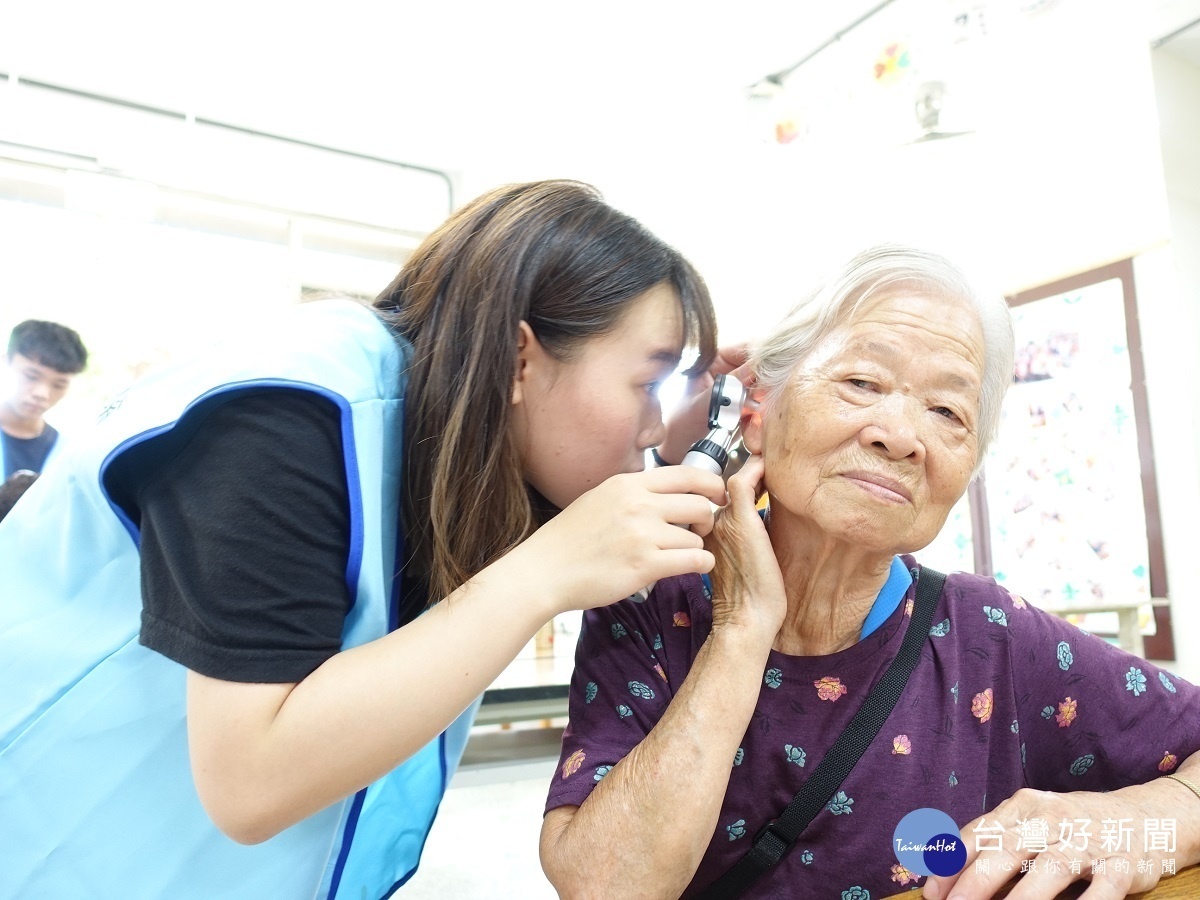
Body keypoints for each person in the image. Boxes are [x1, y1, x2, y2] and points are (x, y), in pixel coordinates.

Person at [0, 180, 740, 899]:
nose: (651, 427)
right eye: (648, 384)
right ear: (522, 358)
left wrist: (699, 430)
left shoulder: (458, 444)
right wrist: (545, 574)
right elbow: (250, 783)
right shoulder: (284, 415)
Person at [540, 245, 1200, 900]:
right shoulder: (650, 608)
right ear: (757, 416)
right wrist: (743, 630)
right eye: (861, 382)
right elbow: (606, 887)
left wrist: (1139, 820)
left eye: (948, 412)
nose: (901, 434)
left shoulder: (993, 637)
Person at [0, 318, 88, 477]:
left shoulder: (68, 456)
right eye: (31, 376)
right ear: (5, 362)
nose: (42, 393)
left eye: (58, 385)